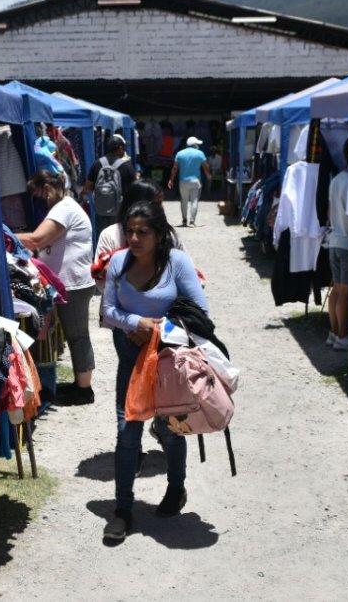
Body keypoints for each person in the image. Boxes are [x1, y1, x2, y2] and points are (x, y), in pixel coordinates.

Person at [100, 200, 208, 543]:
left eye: (142, 232)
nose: (133, 237)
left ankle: (176, 488)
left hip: (169, 364)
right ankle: (122, 510)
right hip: (131, 364)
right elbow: (107, 311)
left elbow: (200, 313)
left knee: (170, 429)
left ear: (160, 235)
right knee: (127, 432)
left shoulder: (177, 264)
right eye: (129, 230)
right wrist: (134, 323)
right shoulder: (118, 262)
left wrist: (158, 330)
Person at [17, 170, 97, 406]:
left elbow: (37, 240)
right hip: (70, 284)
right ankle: (79, 386)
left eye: (41, 192)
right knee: (75, 336)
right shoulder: (64, 207)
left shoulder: (64, 208)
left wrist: (3, 234)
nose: (41, 197)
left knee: (78, 336)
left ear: (50, 187)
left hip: (73, 284)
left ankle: (84, 390)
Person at [326, 138, 348, 351]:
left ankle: (334, 332)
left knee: (336, 290)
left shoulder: (336, 179)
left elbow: (329, 211)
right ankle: (342, 335)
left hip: (334, 240)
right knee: (345, 292)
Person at [84, 134, 138, 233]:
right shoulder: (126, 166)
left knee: (102, 238)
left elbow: (88, 187)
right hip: (120, 211)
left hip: (101, 212)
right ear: (120, 148)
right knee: (119, 239)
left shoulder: (97, 164)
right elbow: (135, 190)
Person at [167, 136, 211, 227]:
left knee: (184, 201)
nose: (198, 145)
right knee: (194, 201)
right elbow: (205, 166)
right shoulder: (200, 153)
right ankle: (192, 221)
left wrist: (171, 180)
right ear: (194, 145)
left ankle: (184, 220)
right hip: (196, 181)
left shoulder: (179, 154)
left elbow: (175, 168)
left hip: (183, 181)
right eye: (197, 144)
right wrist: (208, 175)